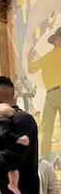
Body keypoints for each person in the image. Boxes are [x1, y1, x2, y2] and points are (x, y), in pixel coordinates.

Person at [28, 27, 61, 157]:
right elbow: (31, 69)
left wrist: (30, 56)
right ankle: (44, 159)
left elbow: (31, 68)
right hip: (50, 94)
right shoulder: (48, 57)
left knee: (46, 130)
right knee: (46, 130)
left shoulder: (48, 57)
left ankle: (44, 159)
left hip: (55, 92)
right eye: (57, 39)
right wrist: (30, 57)